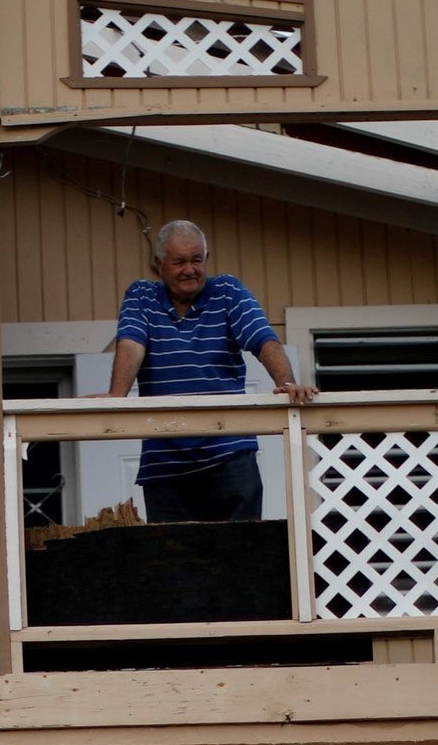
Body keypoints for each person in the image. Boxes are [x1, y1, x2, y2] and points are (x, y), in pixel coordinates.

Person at [100, 220, 315, 522]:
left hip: (229, 457)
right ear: (159, 264)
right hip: (166, 464)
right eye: (179, 262)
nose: (190, 269)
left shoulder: (227, 291)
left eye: (197, 260)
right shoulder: (142, 296)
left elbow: (264, 340)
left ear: (206, 258)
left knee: (241, 554)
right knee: (175, 564)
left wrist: (288, 383)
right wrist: (116, 397)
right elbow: (132, 343)